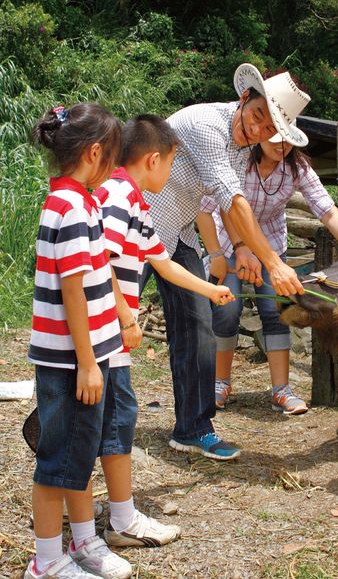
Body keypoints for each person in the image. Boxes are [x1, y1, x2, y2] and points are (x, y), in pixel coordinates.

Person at [143, 64, 308, 459]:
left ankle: (192, 429)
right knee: (108, 324)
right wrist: (273, 263)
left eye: (270, 128)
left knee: (199, 328)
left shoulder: (242, 147)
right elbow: (232, 199)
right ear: (244, 97)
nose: (258, 130)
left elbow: (226, 201)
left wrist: (243, 248)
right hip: (137, 225)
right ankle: (70, 413)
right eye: (257, 116)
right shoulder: (206, 125)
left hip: (179, 235)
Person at [93, 115, 234, 548]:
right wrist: (127, 318)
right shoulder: (118, 196)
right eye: (171, 164)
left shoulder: (134, 201)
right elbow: (100, 261)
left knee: (107, 416)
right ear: (153, 160)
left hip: (107, 331)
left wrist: (210, 290)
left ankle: (80, 500)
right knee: (116, 415)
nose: (172, 174)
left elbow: (165, 264)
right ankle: (120, 519)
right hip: (102, 331)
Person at [27, 103, 133, 579]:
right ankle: (46, 562)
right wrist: (87, 363)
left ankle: (84, 540)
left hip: (89, 354)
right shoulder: (69, 208)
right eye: (112, 154)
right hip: (72, 361)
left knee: (78, 452)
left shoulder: (78, 201)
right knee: (58, 460)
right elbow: (72, 291)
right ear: (94, 153)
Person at [198, 128, 338, 414]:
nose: (281, 144)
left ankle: (281, 390)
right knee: (227, 309)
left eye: (287, 138)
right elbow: (216, 207)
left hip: (272, 246)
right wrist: (237, 248)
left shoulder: (297, 168)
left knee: (277, 311)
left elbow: (327, 210)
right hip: (230, 243)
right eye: (274, 137)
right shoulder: (237, 159)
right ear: (261, 134)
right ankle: (219, 383)